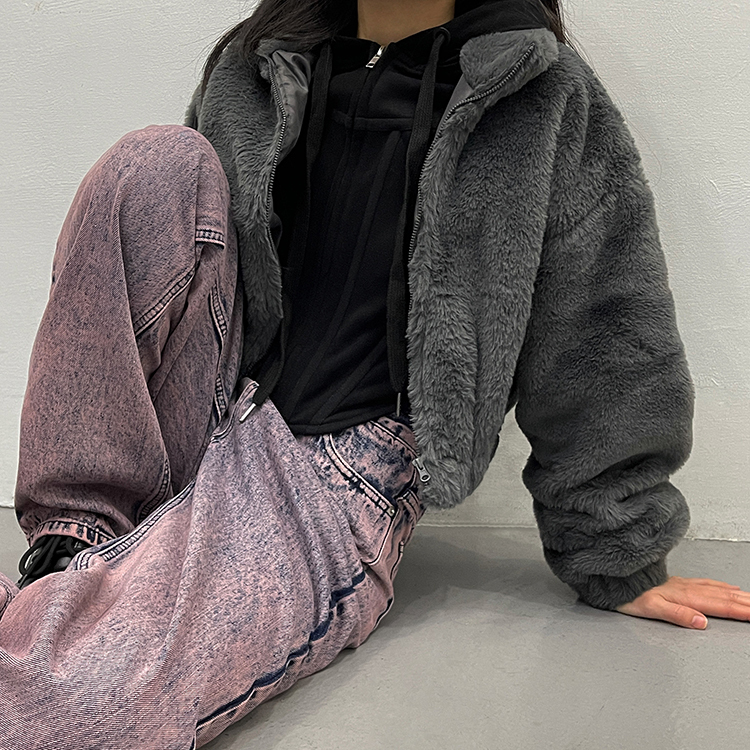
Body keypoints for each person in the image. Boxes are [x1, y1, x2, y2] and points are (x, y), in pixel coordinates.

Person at [2, 0, 749, 746]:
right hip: (210, 401)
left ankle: (76, 600)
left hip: (341, 468)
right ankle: (75, 535)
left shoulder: (538, 93)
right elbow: (188, 268)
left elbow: (601, 325)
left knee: (68, 710)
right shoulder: (257, 63)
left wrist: (619, 551)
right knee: (155, 162)